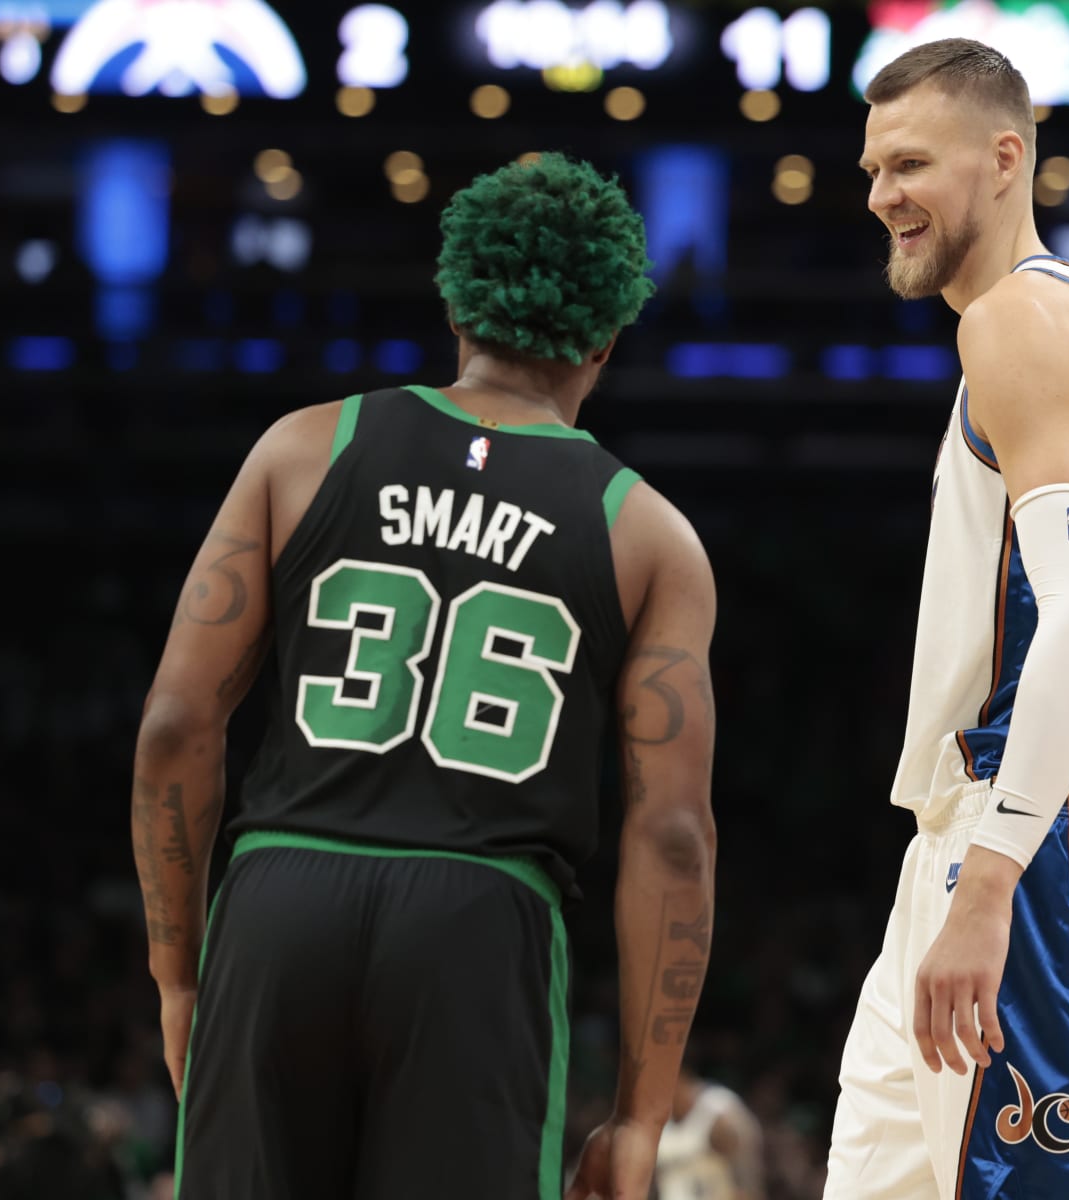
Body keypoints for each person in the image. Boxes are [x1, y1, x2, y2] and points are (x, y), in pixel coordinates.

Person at [129, 152, 719, 1199]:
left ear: (455, 298)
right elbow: (671, 834)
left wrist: (180, 977)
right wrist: (638, 1117)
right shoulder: (650, 535)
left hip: (279, 902)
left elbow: (177, 723)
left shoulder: (302, 449)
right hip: (480, 926)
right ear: (606, 336)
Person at [827, 38, 1069, 1199]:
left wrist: (989, 882)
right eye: (874, 168)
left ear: (1004, 157)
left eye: (911, 163)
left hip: (1035, 845)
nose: (883, 195)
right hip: (979, 845)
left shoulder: (1021, 321)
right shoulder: (1042, 325)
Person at [654, 1065, 766, 1200]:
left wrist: (749, 1191)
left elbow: (746, 1159)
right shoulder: (657, 1118)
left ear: (680, 1080)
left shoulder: (715, 1109)